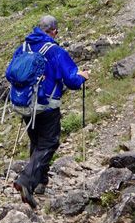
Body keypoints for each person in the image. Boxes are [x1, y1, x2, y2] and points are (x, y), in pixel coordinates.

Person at [9, 14, 87, 207]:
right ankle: (26, 181)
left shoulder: (23, 48)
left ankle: (40, 182)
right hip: (47, 104)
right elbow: (71, 80)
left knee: (36, 142)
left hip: (25, 103)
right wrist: (83, 77)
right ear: (53, 31)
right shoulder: (54, 51)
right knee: (49, 143)